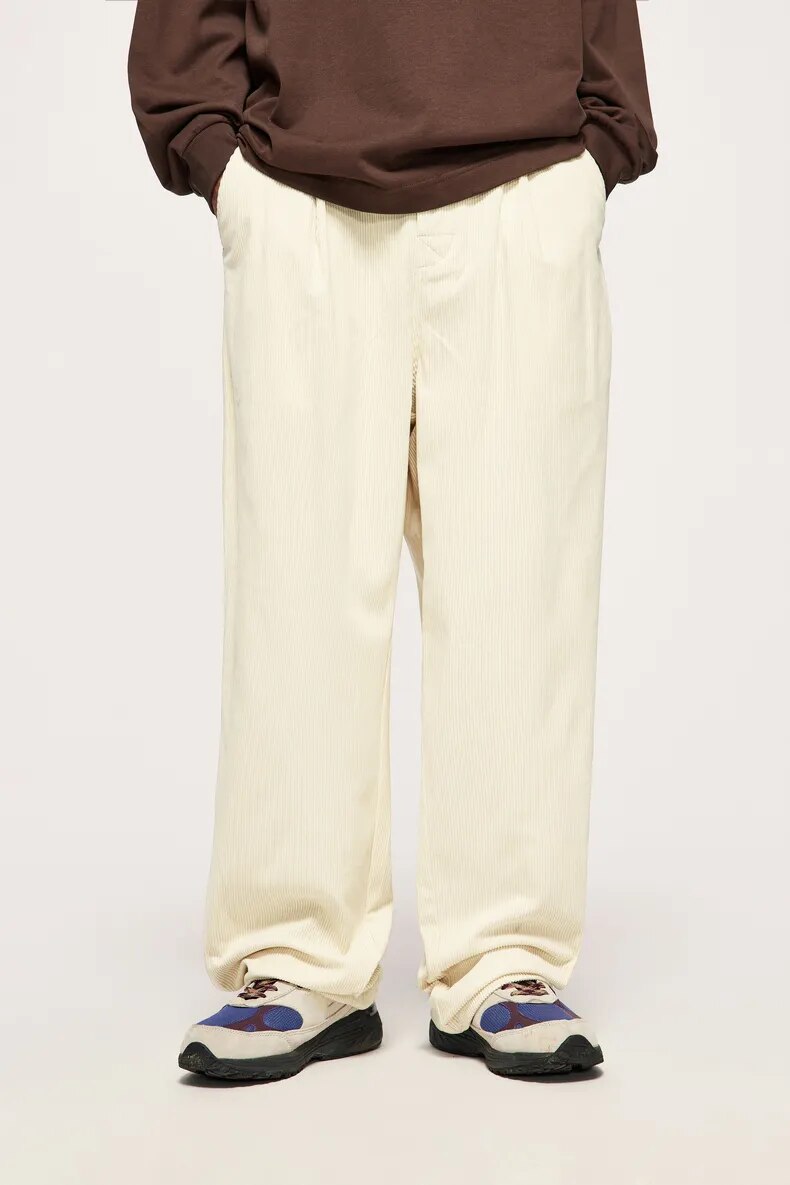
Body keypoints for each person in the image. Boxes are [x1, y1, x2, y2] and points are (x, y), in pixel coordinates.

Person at [128, 0, 656, 1082]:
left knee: (518, 592)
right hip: (299, 197)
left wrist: (595, 152)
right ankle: (296, 957)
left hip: (526, 187)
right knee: (298, 594)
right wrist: (218, 161)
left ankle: (504, 955)